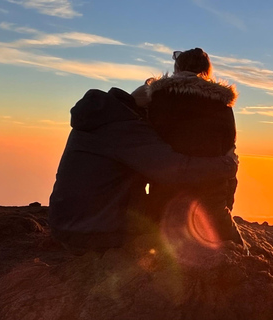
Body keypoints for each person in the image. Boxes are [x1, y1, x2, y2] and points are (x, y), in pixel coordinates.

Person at [49, 85, 239, 253]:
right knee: (177, 227)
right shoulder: (128, 128)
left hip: (69, 222)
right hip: (92, 232)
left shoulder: (104, 117)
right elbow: (174, 169)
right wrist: (227, 163)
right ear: (148, 109)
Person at [132, 48, 244, 247]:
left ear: (176, 69)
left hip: (163, 198)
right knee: (237, 248)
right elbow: (229, 157)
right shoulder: (222, 105)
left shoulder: (153, 97)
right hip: (209, 200)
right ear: (207, 72)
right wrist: (224, 205)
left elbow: (128, 112)